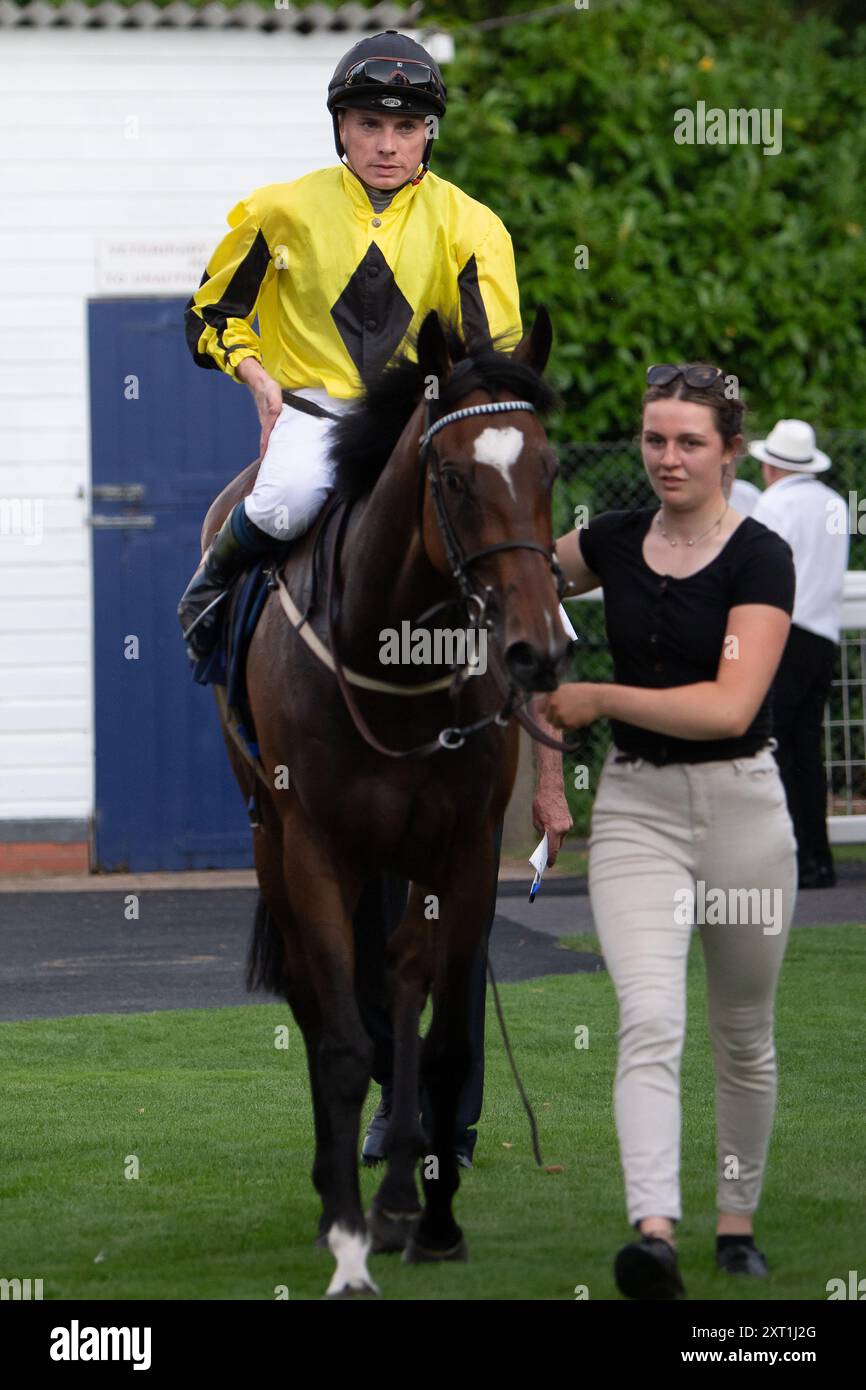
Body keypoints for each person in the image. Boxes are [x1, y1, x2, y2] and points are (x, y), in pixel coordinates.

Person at [178, 29, 572, 1162]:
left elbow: (490, 355)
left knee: (509, 552)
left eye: (405, 125)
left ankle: (541, 658)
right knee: (279, 508)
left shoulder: (471, 224)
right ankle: (218, 609)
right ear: (340, 127)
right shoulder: (279, 209)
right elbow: (212, 314)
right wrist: (257, 380)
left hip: (424, 435)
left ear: (427, 131)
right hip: (313, 423)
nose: (387, 141)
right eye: (368, 123)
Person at [545, 363, 798, 1299]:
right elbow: (513, 569)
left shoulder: (759, 556)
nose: (667, 457)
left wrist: (595, 697)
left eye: (690, 441)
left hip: (741, 811)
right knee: (648, 1018)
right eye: (654, 439)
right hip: (636, 810)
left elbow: (734, 706)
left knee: (741, 1034)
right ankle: (653, 1232)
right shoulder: (608, 540)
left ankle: (736, 1224)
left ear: (731, 449)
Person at [749, 420, 850, 888]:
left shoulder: (772, 506)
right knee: (807, 750)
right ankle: (818, 858)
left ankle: (789, 859)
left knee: (776, 747)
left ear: (771, 465)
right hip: (823, 635)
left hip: (782, 634)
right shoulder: (834, 504)